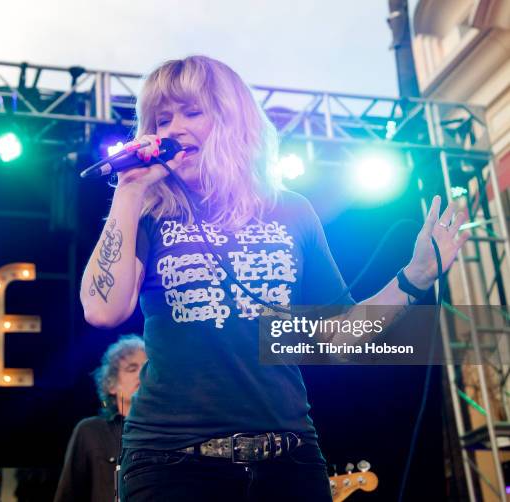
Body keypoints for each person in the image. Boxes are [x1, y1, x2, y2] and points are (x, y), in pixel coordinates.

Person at [80, 55, 469, 501]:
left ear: (232, 119)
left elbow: (336, 340)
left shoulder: (292, 211)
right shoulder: (149, 212)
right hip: (170, 461)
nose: (172, 129)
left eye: (192, 112)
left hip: (289, 459)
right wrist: (130, 191)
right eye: (162, 118)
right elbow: (102, 308)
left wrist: (414, 277)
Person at [54, 335, 146, 502]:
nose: (142, 374)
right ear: (111, 384)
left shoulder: (168, 433)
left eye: (147, 368)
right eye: (132, 369)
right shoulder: (91, 431)